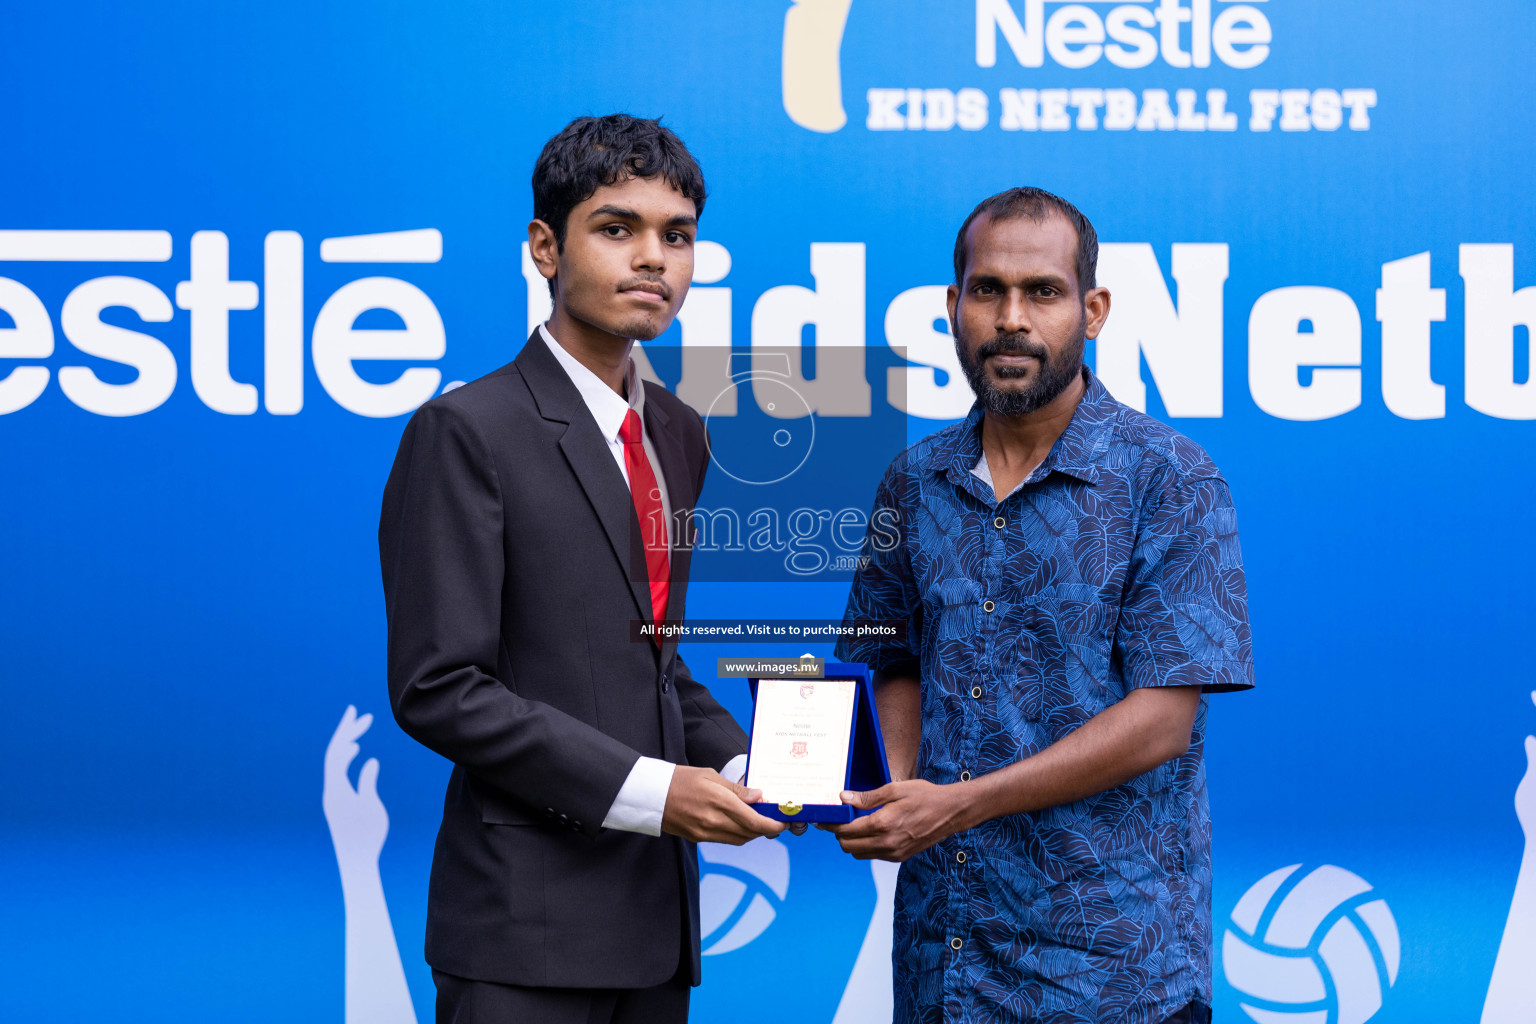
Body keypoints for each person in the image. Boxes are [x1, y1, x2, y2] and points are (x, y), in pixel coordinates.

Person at [379, 114, 784, 1024]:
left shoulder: (679, 431)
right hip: (525, 931)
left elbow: (651, 657)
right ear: (543, 248)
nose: (654, 259)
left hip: (657, 930)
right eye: (617, 228)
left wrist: (760, 767)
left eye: (676, 236)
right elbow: (439, 686)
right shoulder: (466, 430)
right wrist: (656, 791)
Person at [828, 187, 1254, 1024]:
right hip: (942, 966)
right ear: (954, 306)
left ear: (1091, 310)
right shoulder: (913, 481)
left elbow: (1165, 717)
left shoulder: (1171, 479)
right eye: (987, 291)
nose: (1011, 317)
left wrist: (957, 803)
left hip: (1111, 981)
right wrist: (893, 785)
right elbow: (895, 662)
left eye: (1043, 292)